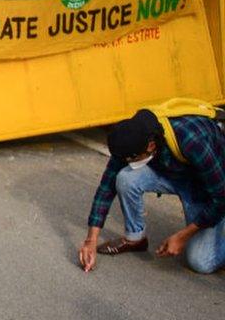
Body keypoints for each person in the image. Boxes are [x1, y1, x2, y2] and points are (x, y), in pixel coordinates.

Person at [78, 107, 225, 274]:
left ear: (151, 145)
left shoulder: (193, 142)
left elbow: (221, 198)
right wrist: (91, 239)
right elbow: (106, 186)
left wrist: (183, 236)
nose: (128, 162)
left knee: (201, 261)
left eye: (132, 158)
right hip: (176, 174)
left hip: (208, 186)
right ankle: (135, 239)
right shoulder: (134, 138)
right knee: (125, 178)